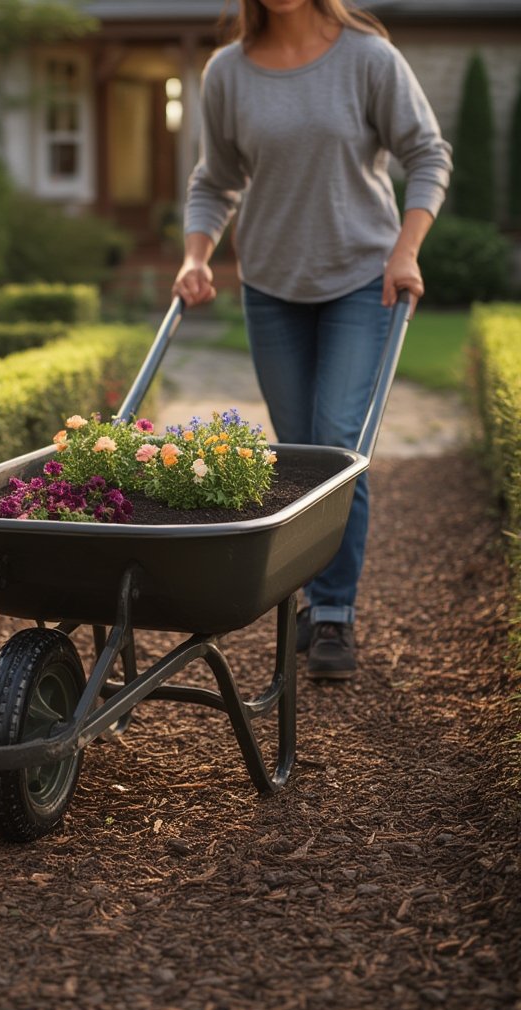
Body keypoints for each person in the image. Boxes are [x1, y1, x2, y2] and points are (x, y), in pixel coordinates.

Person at [172, 0, 452, 680]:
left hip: (364, 278)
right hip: (271, 287)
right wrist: (196, 255)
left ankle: (333, 614)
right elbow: (216, 179)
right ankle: (307, 595)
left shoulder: (367, 58)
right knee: (295, 459)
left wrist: (406, 249)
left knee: (335, 444)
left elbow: (427, 153)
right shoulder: (228, 71)